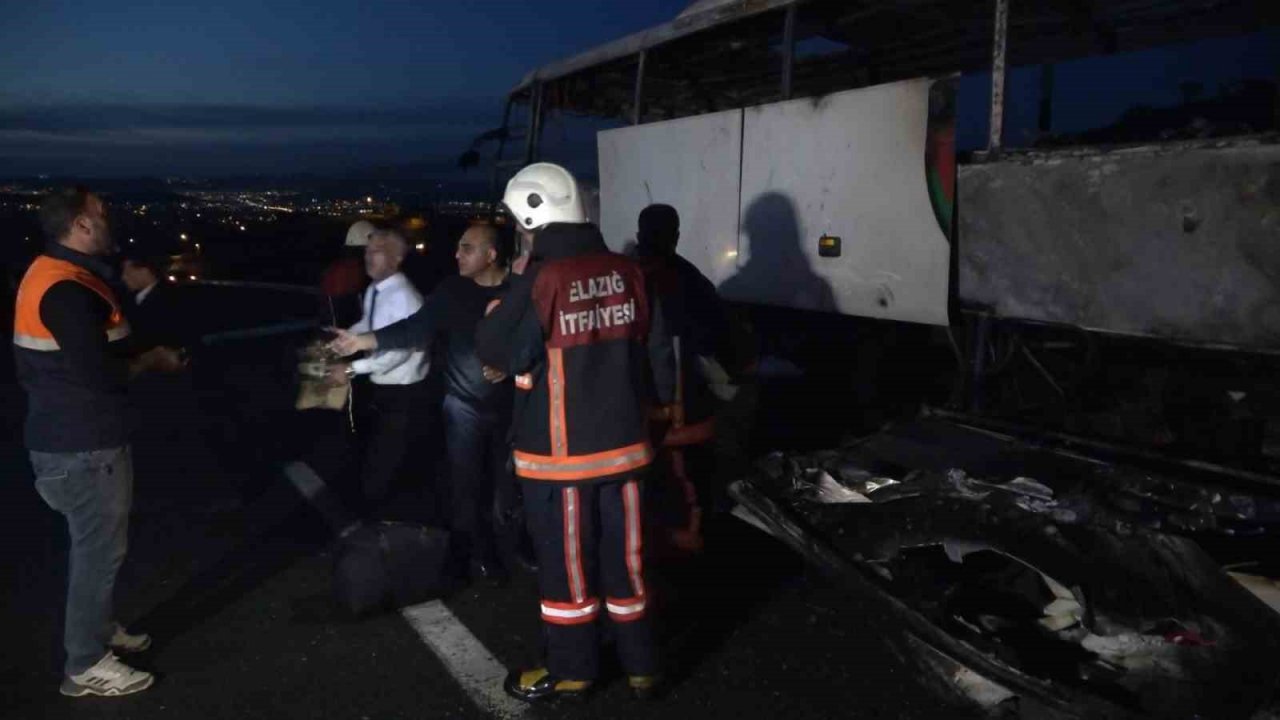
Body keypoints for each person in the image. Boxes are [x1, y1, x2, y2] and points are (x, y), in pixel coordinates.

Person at [477, 162, 675, 702]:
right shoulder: (631, 271)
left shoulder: (543, 277)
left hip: (559, 459)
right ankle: (642, 665)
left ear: (529, 217)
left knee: (568, 570)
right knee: (627, 561)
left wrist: (521, 278)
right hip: (628, 450)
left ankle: (572, 669)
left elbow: (496, 349)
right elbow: (658, 355)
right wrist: (656, 425)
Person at [13, 186, 185, 697]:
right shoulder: (66, 289)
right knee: (98, 554)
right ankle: (84, 664)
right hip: (83, 448)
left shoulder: (52, 272)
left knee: (99, 551)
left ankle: (99, 629)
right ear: (81, 226)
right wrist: (152, 361)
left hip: (71, 440)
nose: (110, 219)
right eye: (101, 214)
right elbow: (98, 375)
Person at [329, 222, 521, 585]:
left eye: (467, 248)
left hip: (512, 407)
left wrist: (510, 364)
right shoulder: (450, 291)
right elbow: (414, 328)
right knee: (466, 485)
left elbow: (535, 339)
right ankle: (478, 557)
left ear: (491, 255)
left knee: (506, 488)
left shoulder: (518, 291)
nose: (457, 254)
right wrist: (364, 341)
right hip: (462, 407)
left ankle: (513, 547)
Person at [632, 204, 738, 552]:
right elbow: (722, 339)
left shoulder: (622, 276)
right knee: (688, 489)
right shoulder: (690, 281)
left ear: (638, 234)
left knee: (647, 492)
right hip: (686, 410)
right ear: (675, 237)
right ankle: (687, 551)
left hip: (635, 411)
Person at [326, 229, 430, 515]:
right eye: (367, 251)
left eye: (377, 251)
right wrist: (349, 336)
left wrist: (350, 368)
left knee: (388, 459)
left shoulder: (404, 297)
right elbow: (370, 325)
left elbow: (398, 352)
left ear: (396, 258)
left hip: (404, 393)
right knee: (383, 452)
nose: (369, 257)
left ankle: (379, 520)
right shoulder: (376, 289)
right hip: (384, 387)